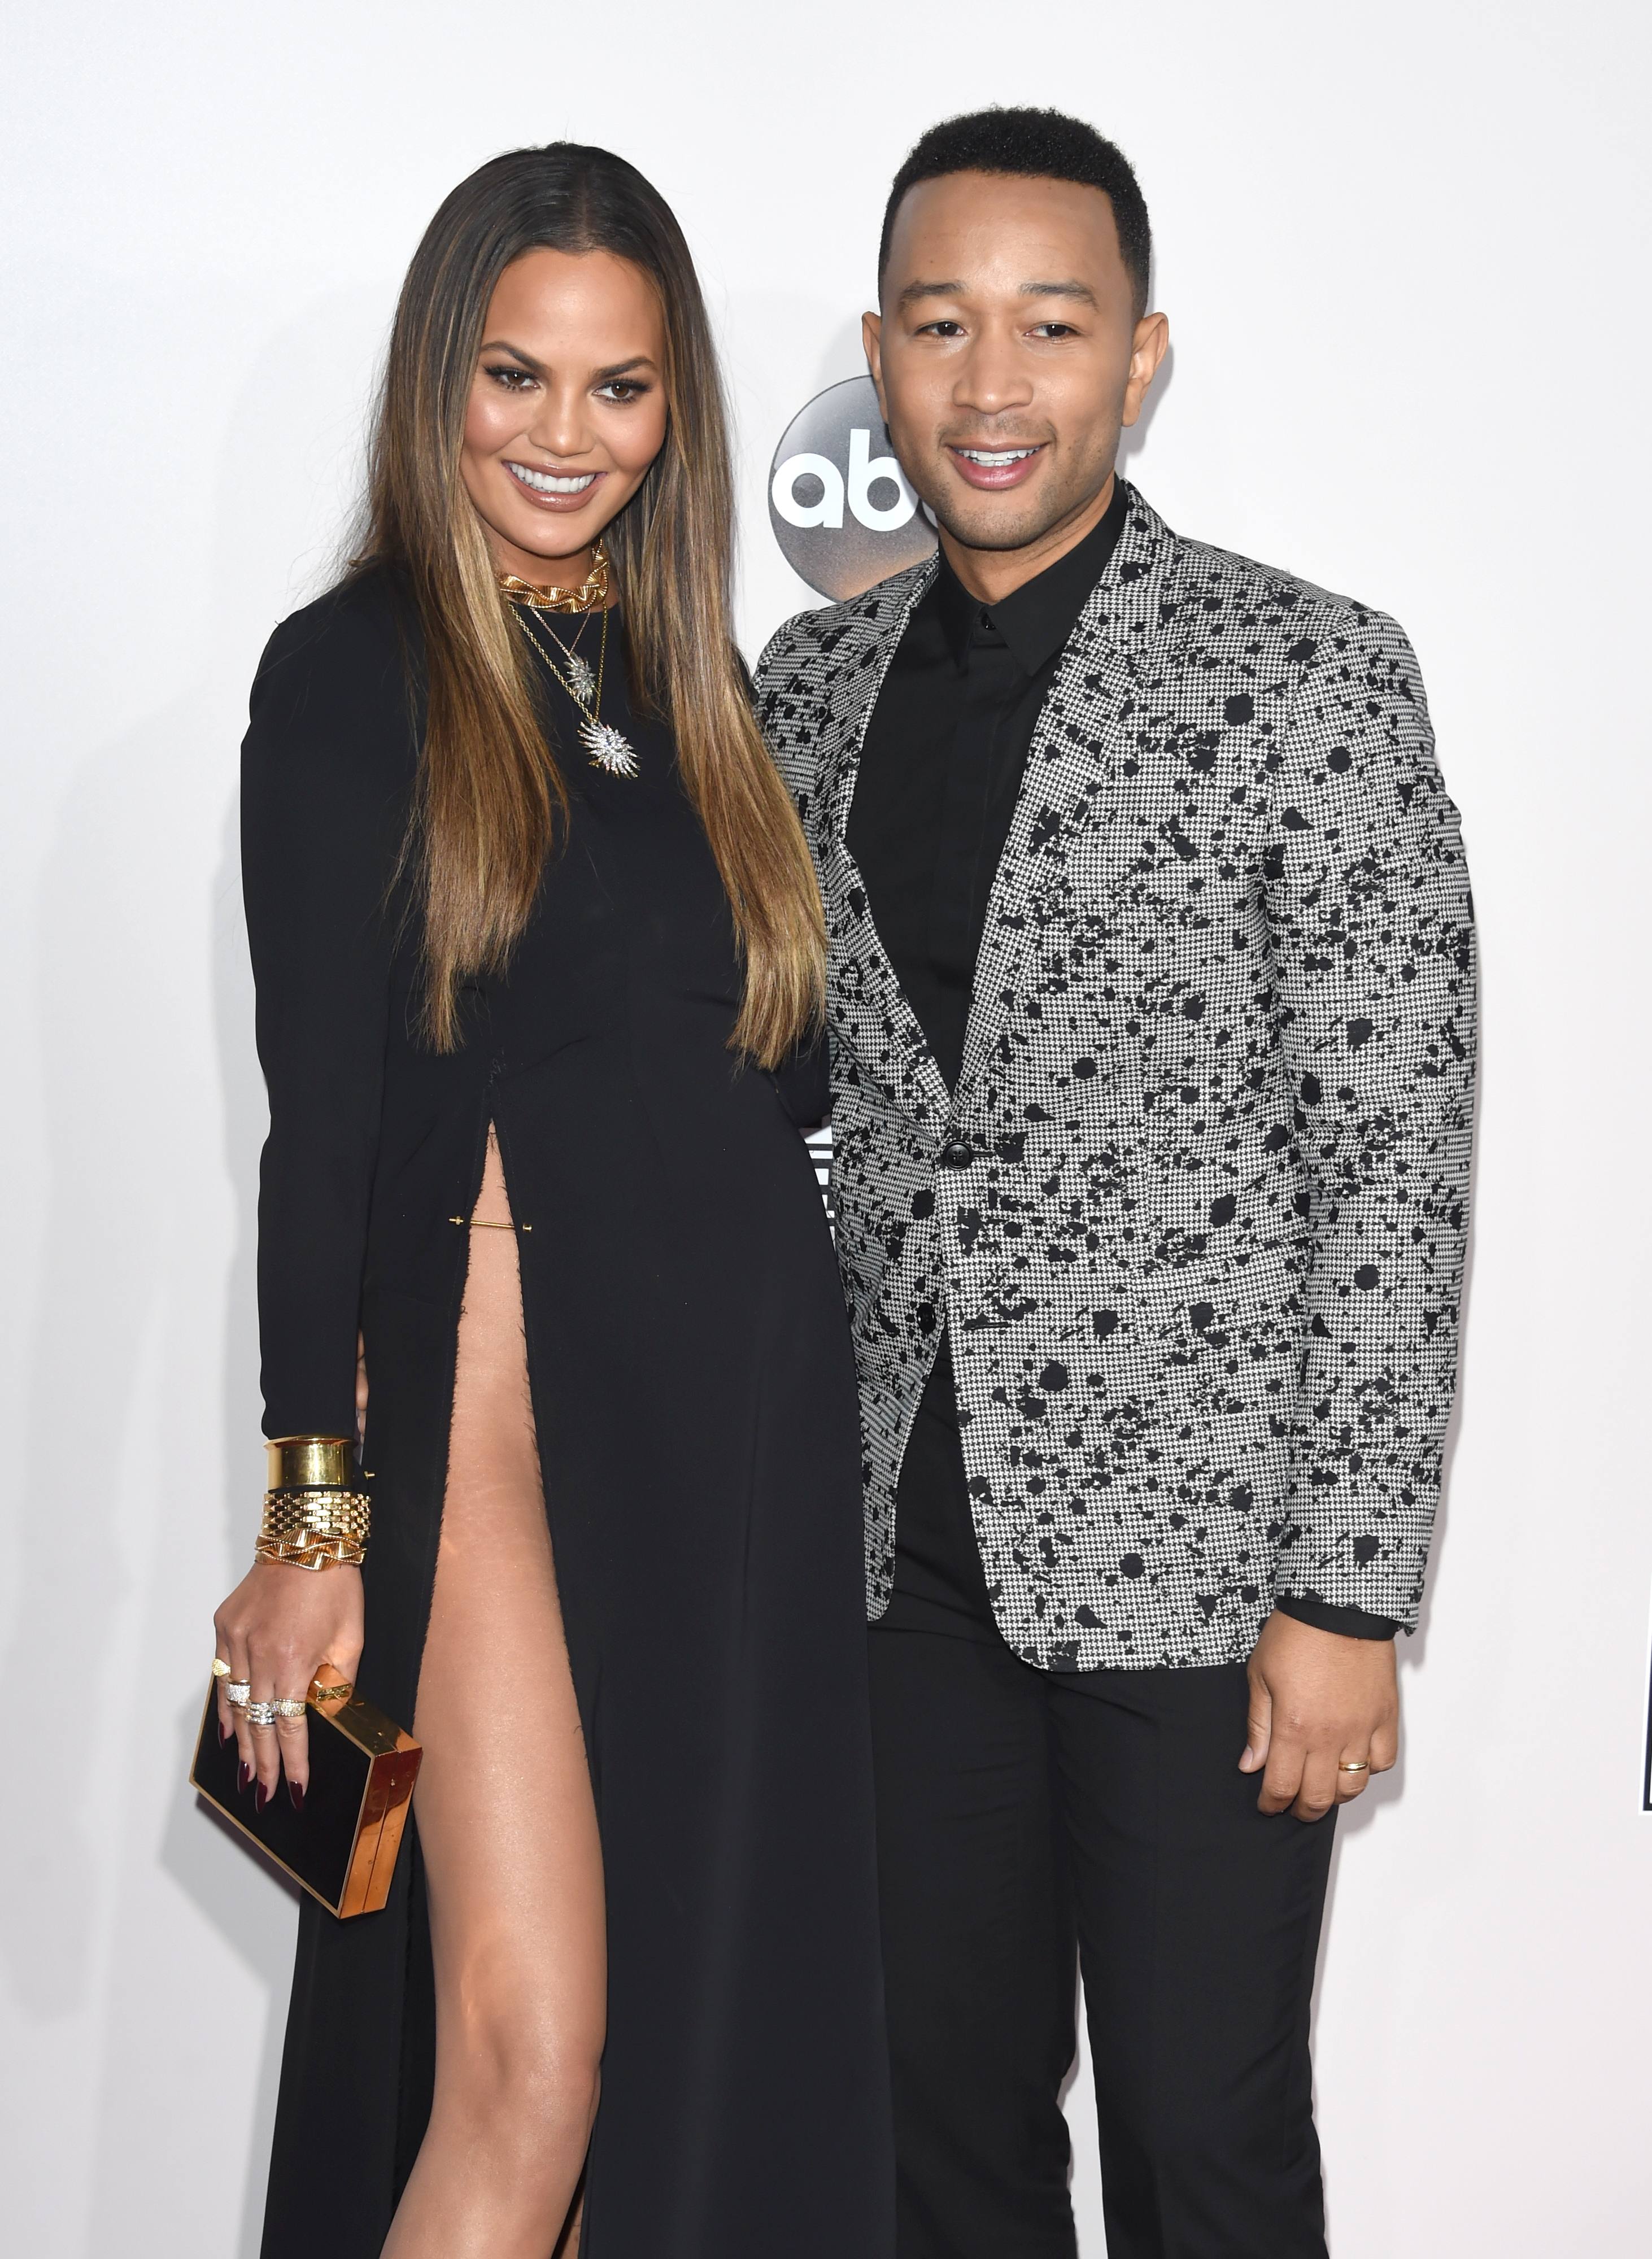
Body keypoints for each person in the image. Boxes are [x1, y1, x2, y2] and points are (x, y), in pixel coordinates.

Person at [757, 107, 1476, 2259]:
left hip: (1208, 1578)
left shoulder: (1308, 676)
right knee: (935, 2141)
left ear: (1138, 355)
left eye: (1051, 328)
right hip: (901, 1575)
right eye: (948, 327)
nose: (996, 386)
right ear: (880, 352)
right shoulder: (803, 691)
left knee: (1204, 2148)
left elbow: (1399, 1157)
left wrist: (1347, 1598)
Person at [210, 142, 893, 2259]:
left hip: (740, 1436)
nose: (563, 439)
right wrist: (313, 1521)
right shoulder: (352, 678)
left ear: (675, 405)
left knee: (676, 2076)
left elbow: (780, 1071)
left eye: (617, 390)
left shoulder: (702, 696)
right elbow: (315, 1122)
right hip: (501, 1401)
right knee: (529, 2058)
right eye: (517, 378)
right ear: (442, 382)